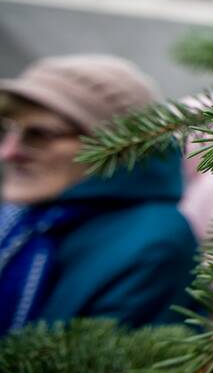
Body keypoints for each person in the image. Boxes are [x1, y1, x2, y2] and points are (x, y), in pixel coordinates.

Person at [0, 54, 197, 334]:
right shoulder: (25, 218)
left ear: (112, 146)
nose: (8, 152)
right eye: (7, 129)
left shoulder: (154, 242)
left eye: (40, 134)